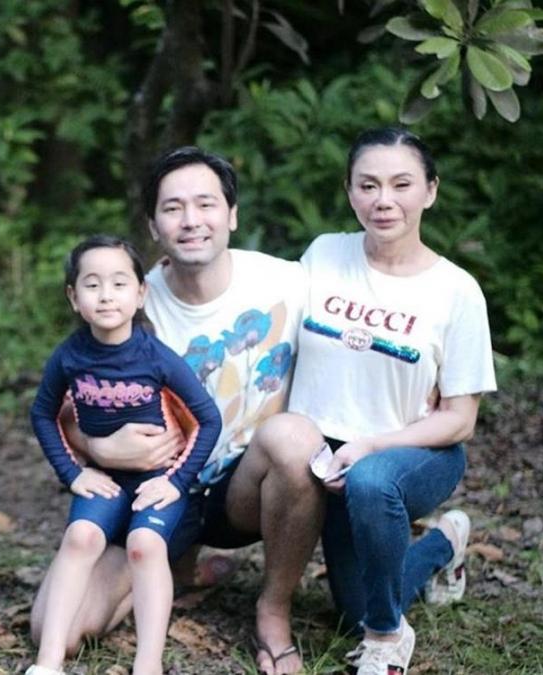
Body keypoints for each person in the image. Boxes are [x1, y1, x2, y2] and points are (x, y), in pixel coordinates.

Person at [30, 147, 325, 675]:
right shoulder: (124, 297)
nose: (191, 220)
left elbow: (359, 331)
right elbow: (69, 405)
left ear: (232, 215)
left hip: (243, 489)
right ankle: (179, 568)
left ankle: (273, 609)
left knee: (295, 439)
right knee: (59, 630)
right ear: (153, 225)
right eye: (172, 208)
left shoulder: (288, 282)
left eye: (206, 204)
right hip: (152, 491)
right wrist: (97, 447)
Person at [286, 127, 496, 674]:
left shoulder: (456, 291)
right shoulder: (324, 254)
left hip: (410, 452)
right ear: (350, 191)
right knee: (352, 608)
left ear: (430, 190)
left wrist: (372, 445)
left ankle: (386, 638)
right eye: (368, 185)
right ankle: (444, 545)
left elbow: (460, 420)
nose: (384, 200)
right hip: (325, 456)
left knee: (372, 482)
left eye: (401, 184)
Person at [27, 235, 223, 675]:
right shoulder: (69, 356)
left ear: (140, 294)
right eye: (92, 284)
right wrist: (73, 473)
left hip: (157, 481)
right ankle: (48, 662)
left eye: (119, 283)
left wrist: (175, 482)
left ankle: (147, 664)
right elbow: (42, 413)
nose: (105, 295)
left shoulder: (157, 357)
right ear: (73, 297)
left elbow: (208, 419)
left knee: (144, 545)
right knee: (80, 538)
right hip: (104, 479)